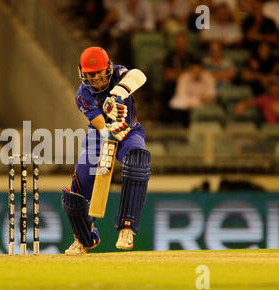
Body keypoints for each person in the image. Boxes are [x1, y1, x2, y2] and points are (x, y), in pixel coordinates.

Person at [62, 46, 150, 255]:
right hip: (99, 135)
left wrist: (118, 93)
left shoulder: (120, 74)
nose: (96, 78)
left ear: (108, 68)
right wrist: (109, 129)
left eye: (99, 72)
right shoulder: (82, 95)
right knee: (80, 181)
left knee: (137, 158)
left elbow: (139, 75)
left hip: (129, 131)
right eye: (91, 74)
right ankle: (83, 238)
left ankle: (127, 227)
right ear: (83, 73)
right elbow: (100, 124)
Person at [169, 58, 216, 127]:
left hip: (201, 102)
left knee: (210, 104)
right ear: (190, 69)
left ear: (201, 69)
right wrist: (190, 103)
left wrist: (203, 99)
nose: (196, 71)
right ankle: (182, 124)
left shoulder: (208, 77)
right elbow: (180, 94)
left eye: (198, 69)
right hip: (187, 102)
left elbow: (211, 94)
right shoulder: (184, 77)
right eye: (194, 69)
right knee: (175, 103)